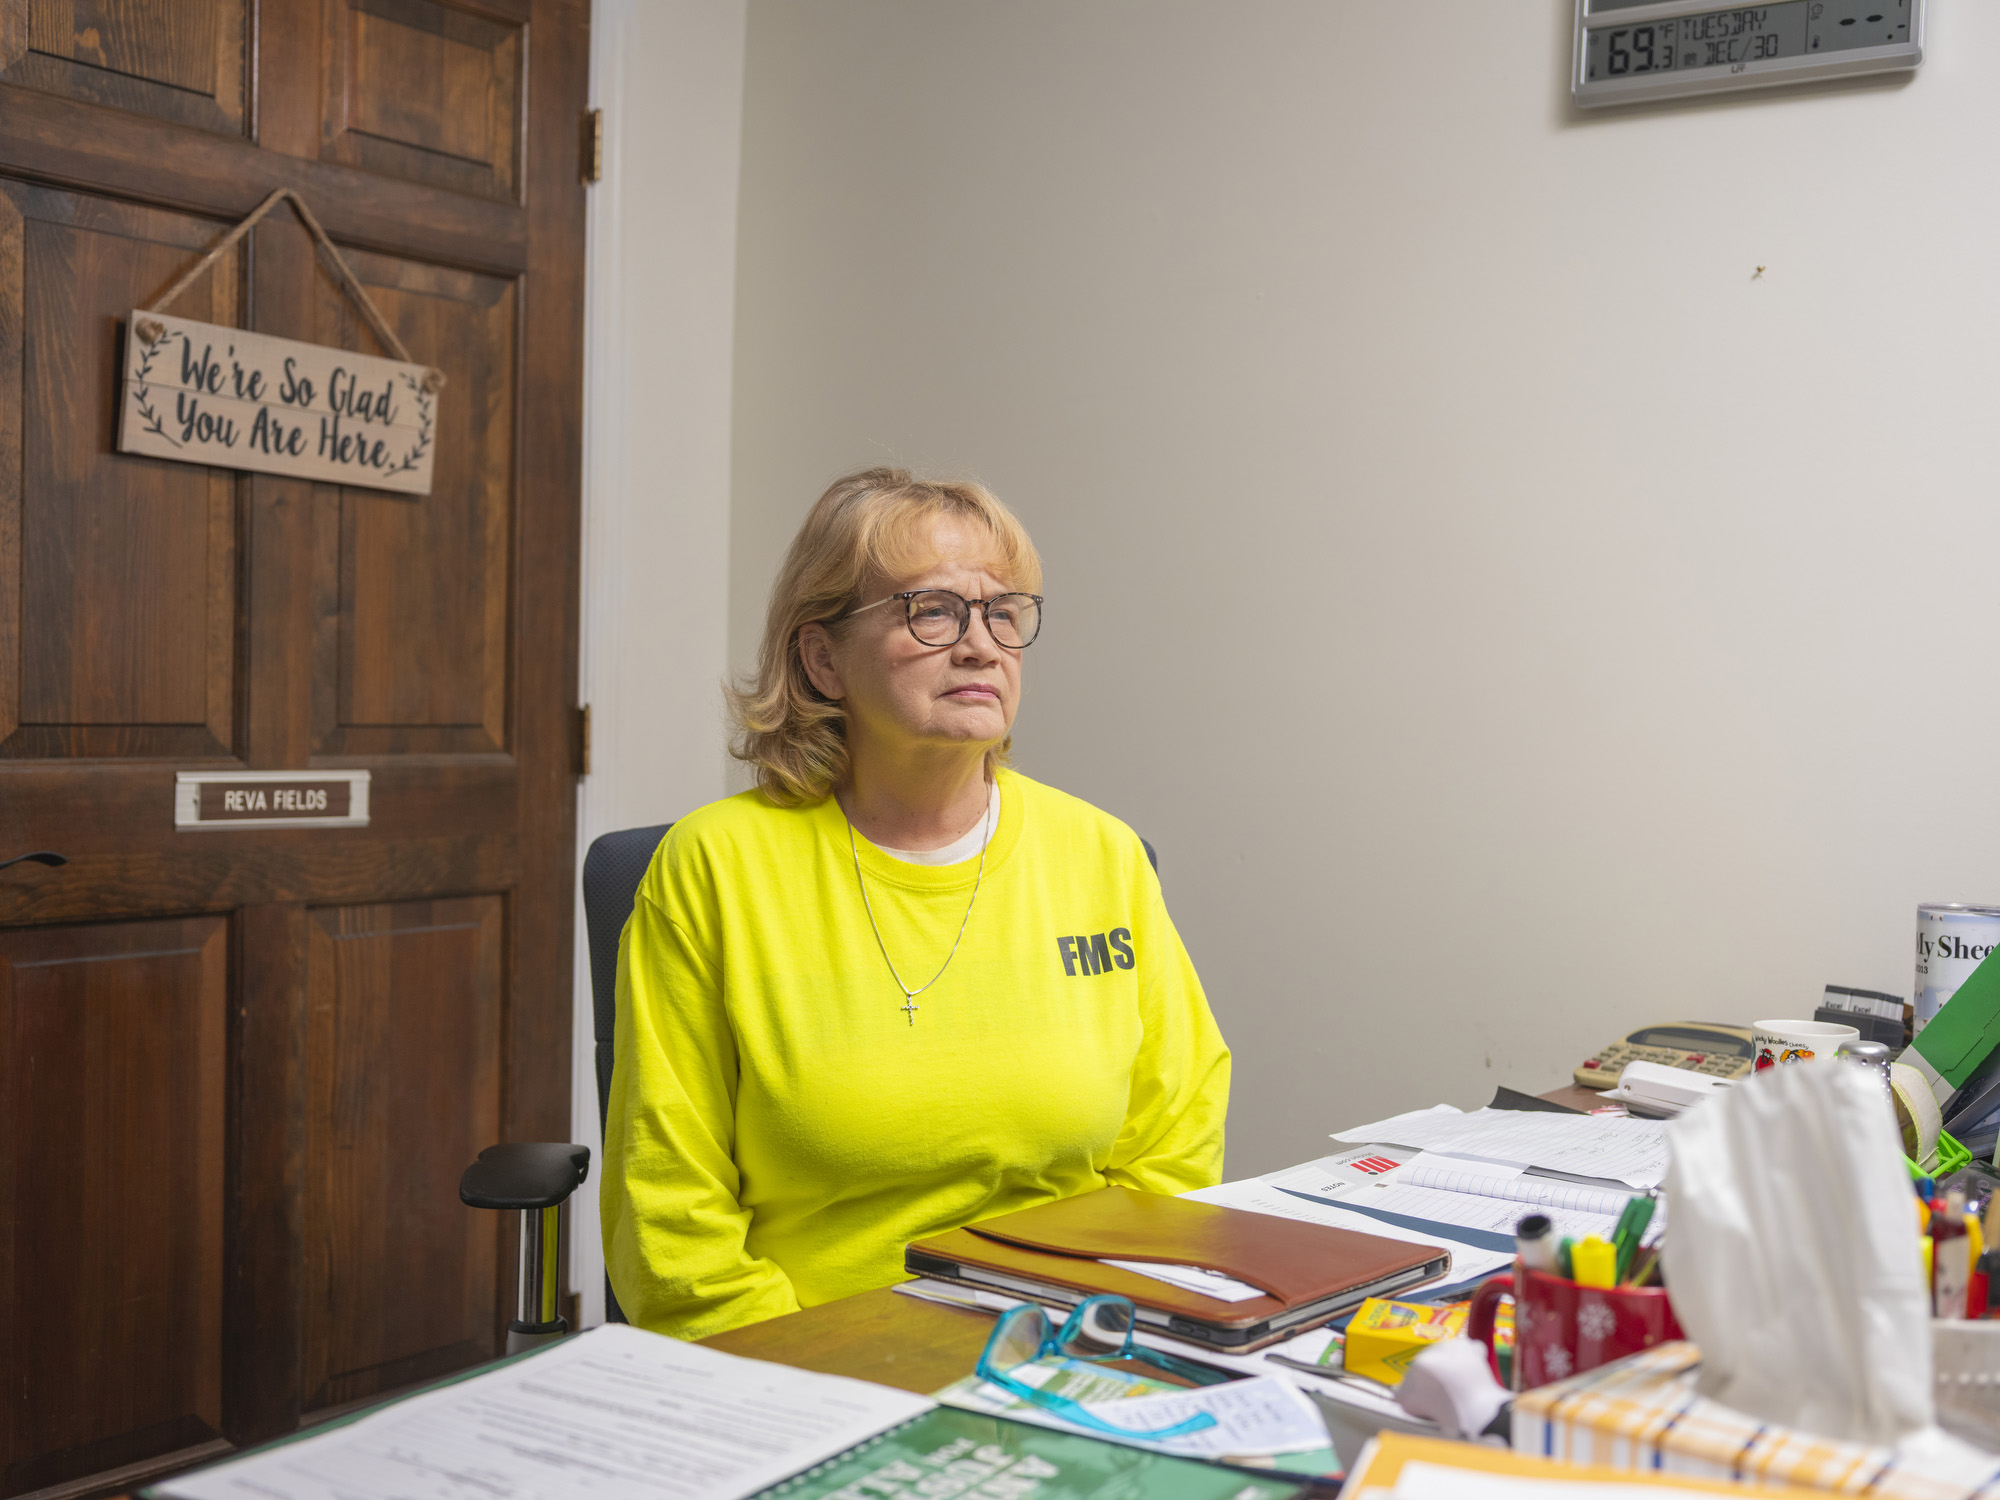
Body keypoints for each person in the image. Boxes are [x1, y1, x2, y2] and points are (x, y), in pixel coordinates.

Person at [602, 468, 1230, 1339]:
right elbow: (667, 1213)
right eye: (929, 611)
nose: (981, 646)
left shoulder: (1102, 854)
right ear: (823, 658)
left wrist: (1094, 1338)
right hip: (808, 1360)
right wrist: (808, 1372)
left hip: (1071, 1349)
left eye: (1004, 612)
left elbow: (1174, 1148)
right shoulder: (713, 869)